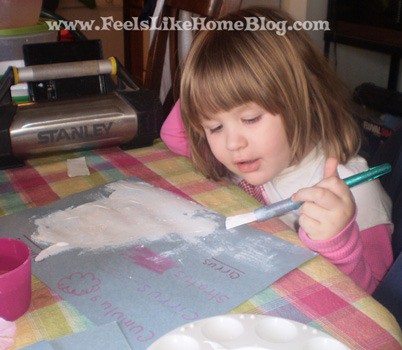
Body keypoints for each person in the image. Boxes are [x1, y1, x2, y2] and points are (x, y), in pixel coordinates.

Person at [160, 6, 393, 294]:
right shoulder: (254, 154)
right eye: (214, 127)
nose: (233, 144)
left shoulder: (356, 193)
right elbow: (172, 136)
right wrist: (205, 90)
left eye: (250, 119)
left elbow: (378, 308)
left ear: (304, 100)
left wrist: (339, 243)